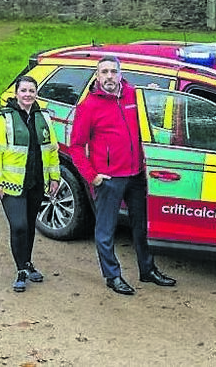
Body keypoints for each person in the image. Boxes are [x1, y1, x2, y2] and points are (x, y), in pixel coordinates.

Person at [69, 56, 176, 295]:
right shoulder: (88, 107)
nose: (109, 76)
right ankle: (112, 276)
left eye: (112, 71)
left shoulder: (133, 96)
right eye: (104, 72)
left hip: (136, 175)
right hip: (109, 179)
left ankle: (147, 270)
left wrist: (156, 98)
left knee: (141, 227)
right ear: (97, 76)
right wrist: (93, 177)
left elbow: (154, 118)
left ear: (120, 73)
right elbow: (76, 147)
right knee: (106, 230)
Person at [0, 76, 60, 292]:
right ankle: (20, 270)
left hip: (36, 183)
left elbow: (51, 150)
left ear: (36, 93)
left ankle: (27, 263)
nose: (28, 94)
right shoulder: (3, 118)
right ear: (16, 93)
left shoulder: (43, 116)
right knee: (19, 226)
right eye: (24, 90)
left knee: (29, 227)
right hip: (11, 185)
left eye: (31, 90)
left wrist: (54, 177)